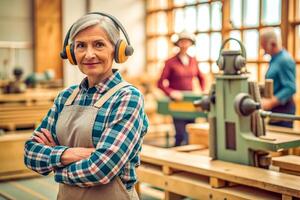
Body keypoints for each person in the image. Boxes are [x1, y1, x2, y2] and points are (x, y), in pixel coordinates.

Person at [24, 12, 148, 200]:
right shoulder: (65, 97)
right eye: (81, 46)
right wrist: (71, 154)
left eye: (99, 44)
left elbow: (101, 169)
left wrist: (56, 165)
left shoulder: (127, 97)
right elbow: (30, 153)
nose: (89, 54)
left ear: (117, 50)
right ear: (71, 53)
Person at [157, 31, 205, 146]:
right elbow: (160, 83)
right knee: (180, 135)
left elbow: (202, 78)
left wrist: (201, 93)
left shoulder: (193, 60)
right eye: (182, 41)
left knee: (190, 132)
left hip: (190, 102)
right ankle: (176, 159)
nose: (184, 44)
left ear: (190, 44)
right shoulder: (170, 62)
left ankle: (189, 160)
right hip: (177, 102)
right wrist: (171, 92)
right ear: (177, 44)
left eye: (187, 42)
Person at [260, 28, 296, 128]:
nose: (263, 51)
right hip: (275, 111)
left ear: (272, 43)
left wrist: (269, 102)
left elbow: (290, 88)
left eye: (264, 47)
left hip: (283, 112)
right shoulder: (274, 59)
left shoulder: (284, 60)